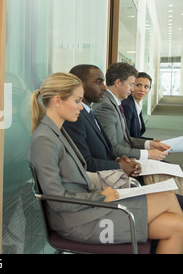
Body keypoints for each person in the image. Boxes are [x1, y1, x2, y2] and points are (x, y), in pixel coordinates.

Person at [28, 72, 183, 253]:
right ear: (57, 101)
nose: (81, 107)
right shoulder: (44, 139)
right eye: (77, 101)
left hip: (88, 209)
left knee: (177, 225)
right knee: (167, 198)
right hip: (79, 221)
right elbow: (58, 200)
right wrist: (102, 196)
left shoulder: (56, 132)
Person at [63, 65, 140, 177]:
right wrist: (120, 166)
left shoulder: (89, 112)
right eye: (99, 82)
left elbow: (102, 151)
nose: (104, 87)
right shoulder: (75, 118)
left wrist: (117, 160)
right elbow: (85, 162)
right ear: (79, 85)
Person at [92, 63, 170, 161]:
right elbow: (112, 148)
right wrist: (147, 154)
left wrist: (150, 144)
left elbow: (127, 139)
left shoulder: (115, 103)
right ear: (118, 83)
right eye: (131, 84)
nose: (132, 89)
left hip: (126, 156)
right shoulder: (105, 106)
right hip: (118, 162)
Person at [121, 72, 153, 139]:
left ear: (149, 89)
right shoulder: (127, 106)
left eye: (146, 87)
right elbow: (127, 138)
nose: (142, 89)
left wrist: (154, 141)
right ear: (131, 86)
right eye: (138, 85)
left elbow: (137, 136)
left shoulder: (136, 105)